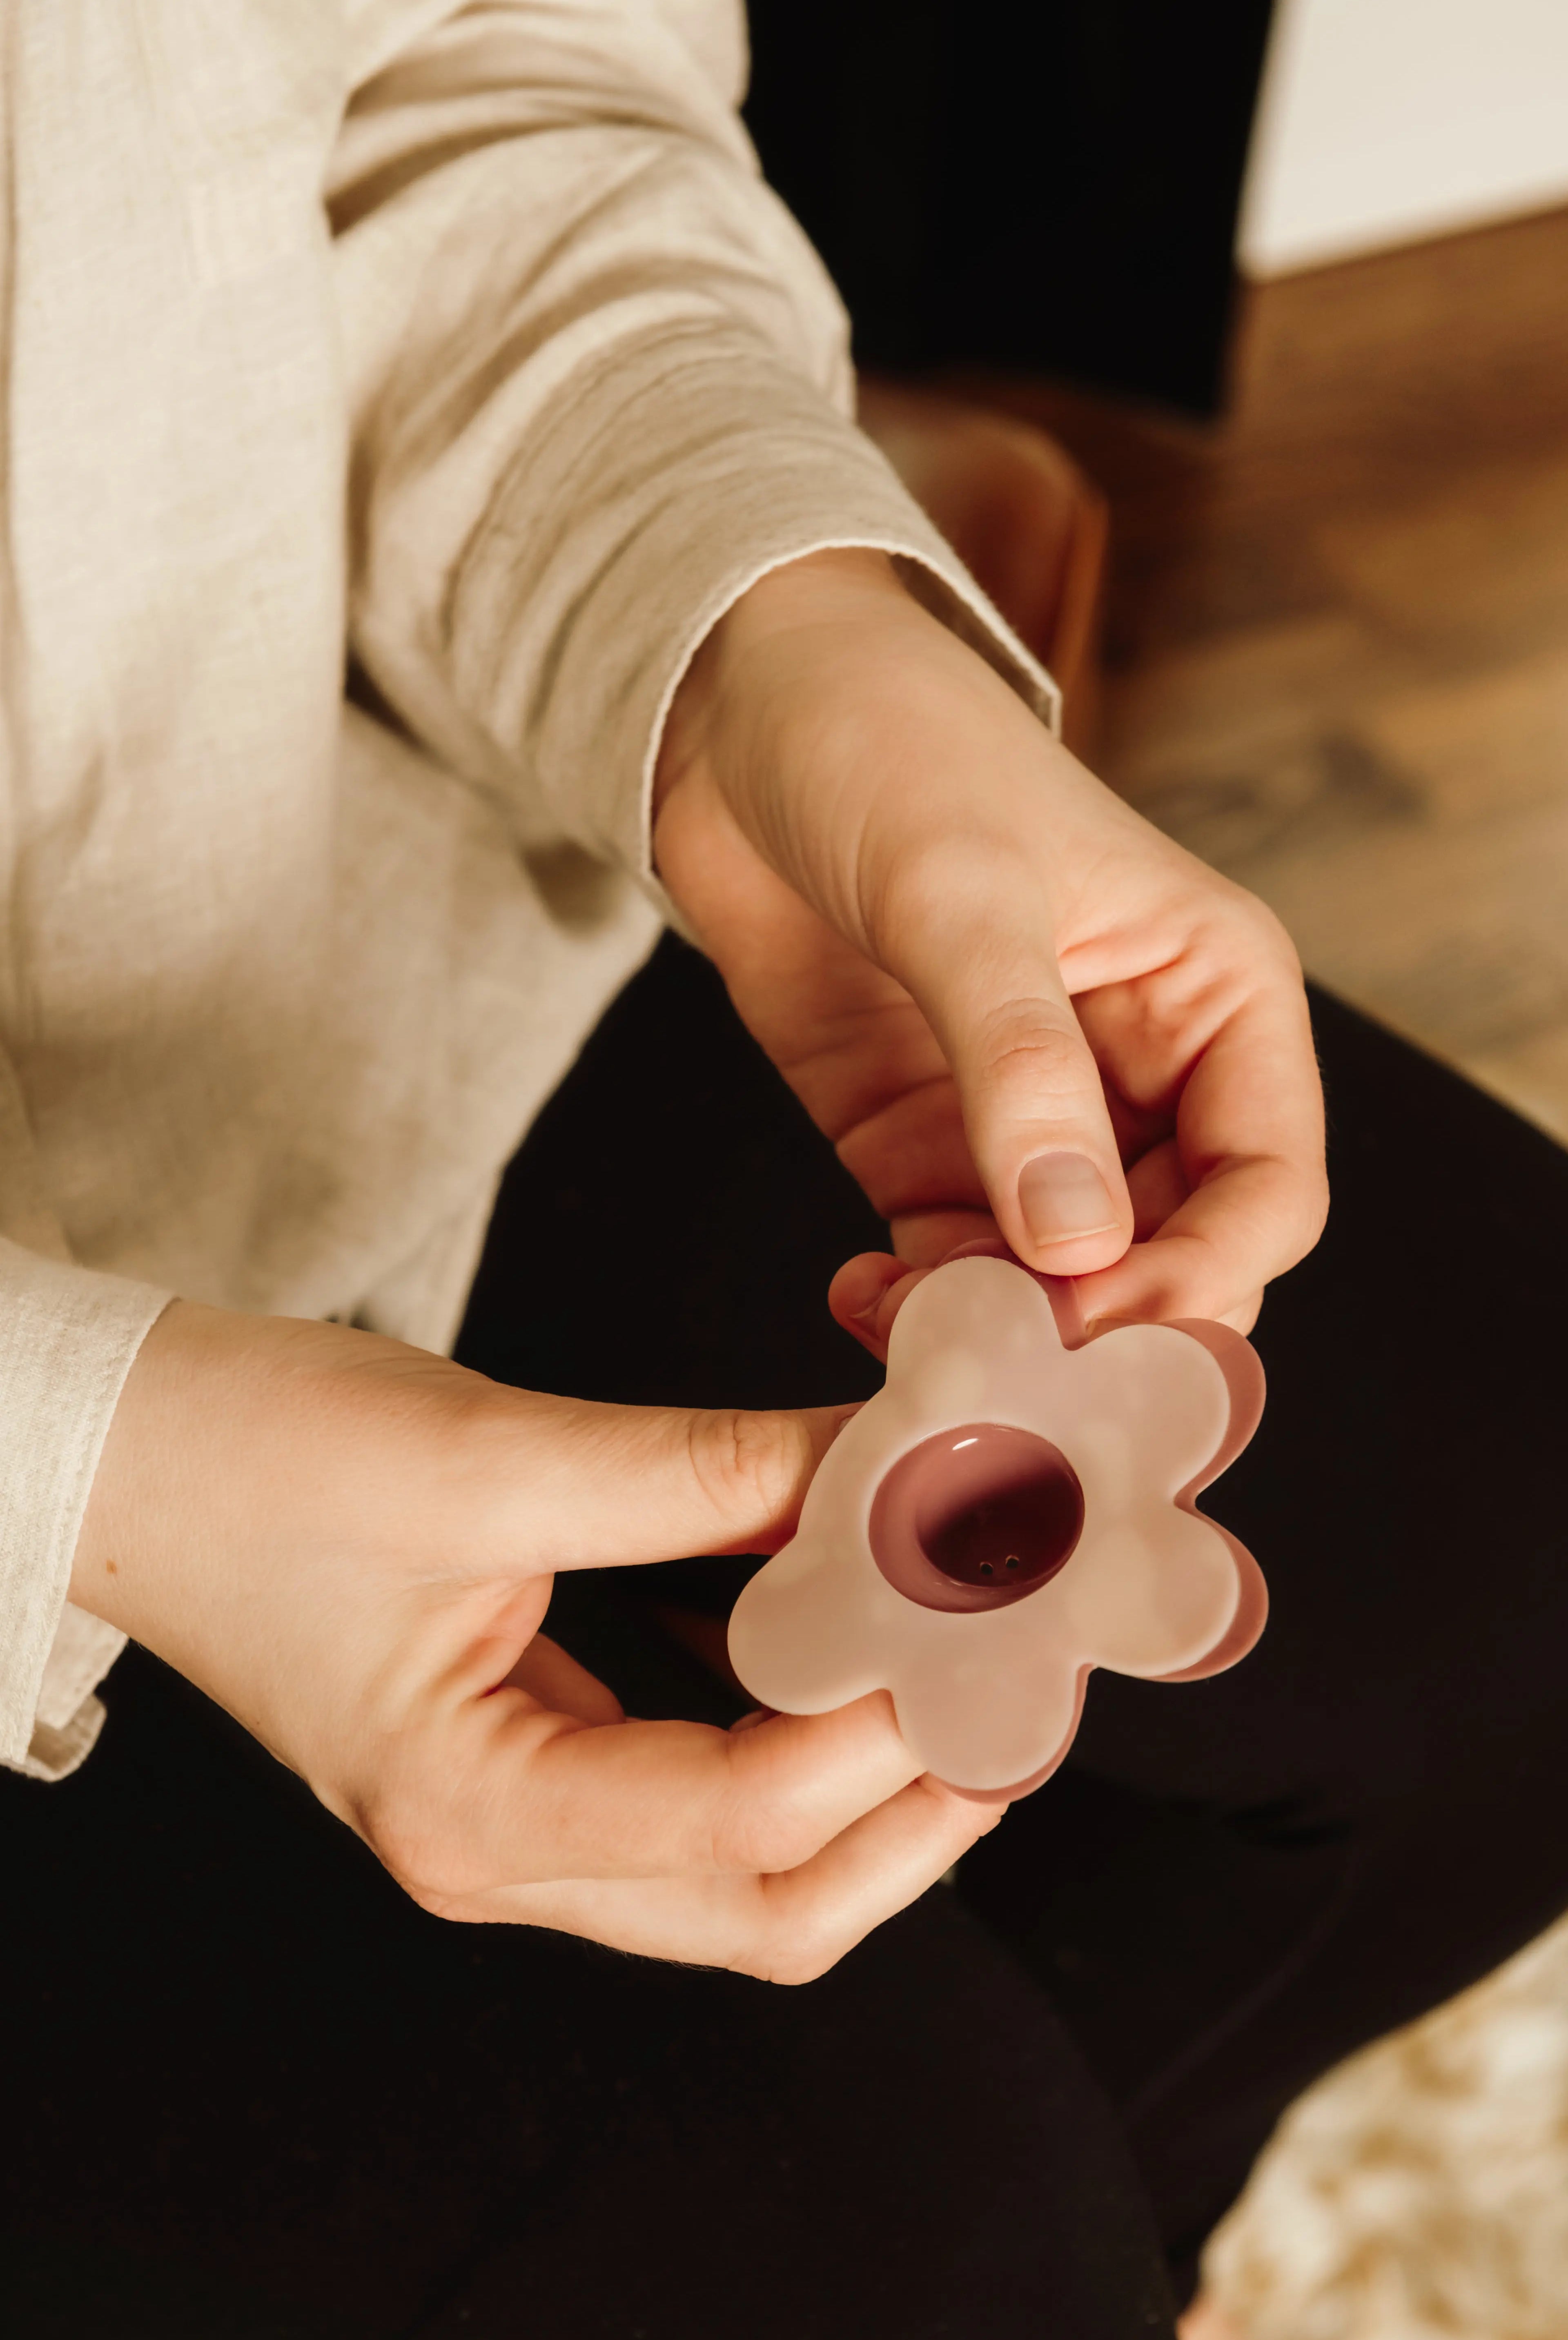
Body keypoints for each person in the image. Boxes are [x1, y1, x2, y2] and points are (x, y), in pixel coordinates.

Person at [3, 9, 1566, 2336]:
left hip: (349, 909)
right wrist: (86, 1458)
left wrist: (771, 625)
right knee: (893, 2230)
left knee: (1517, 1511)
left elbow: (477, 78)